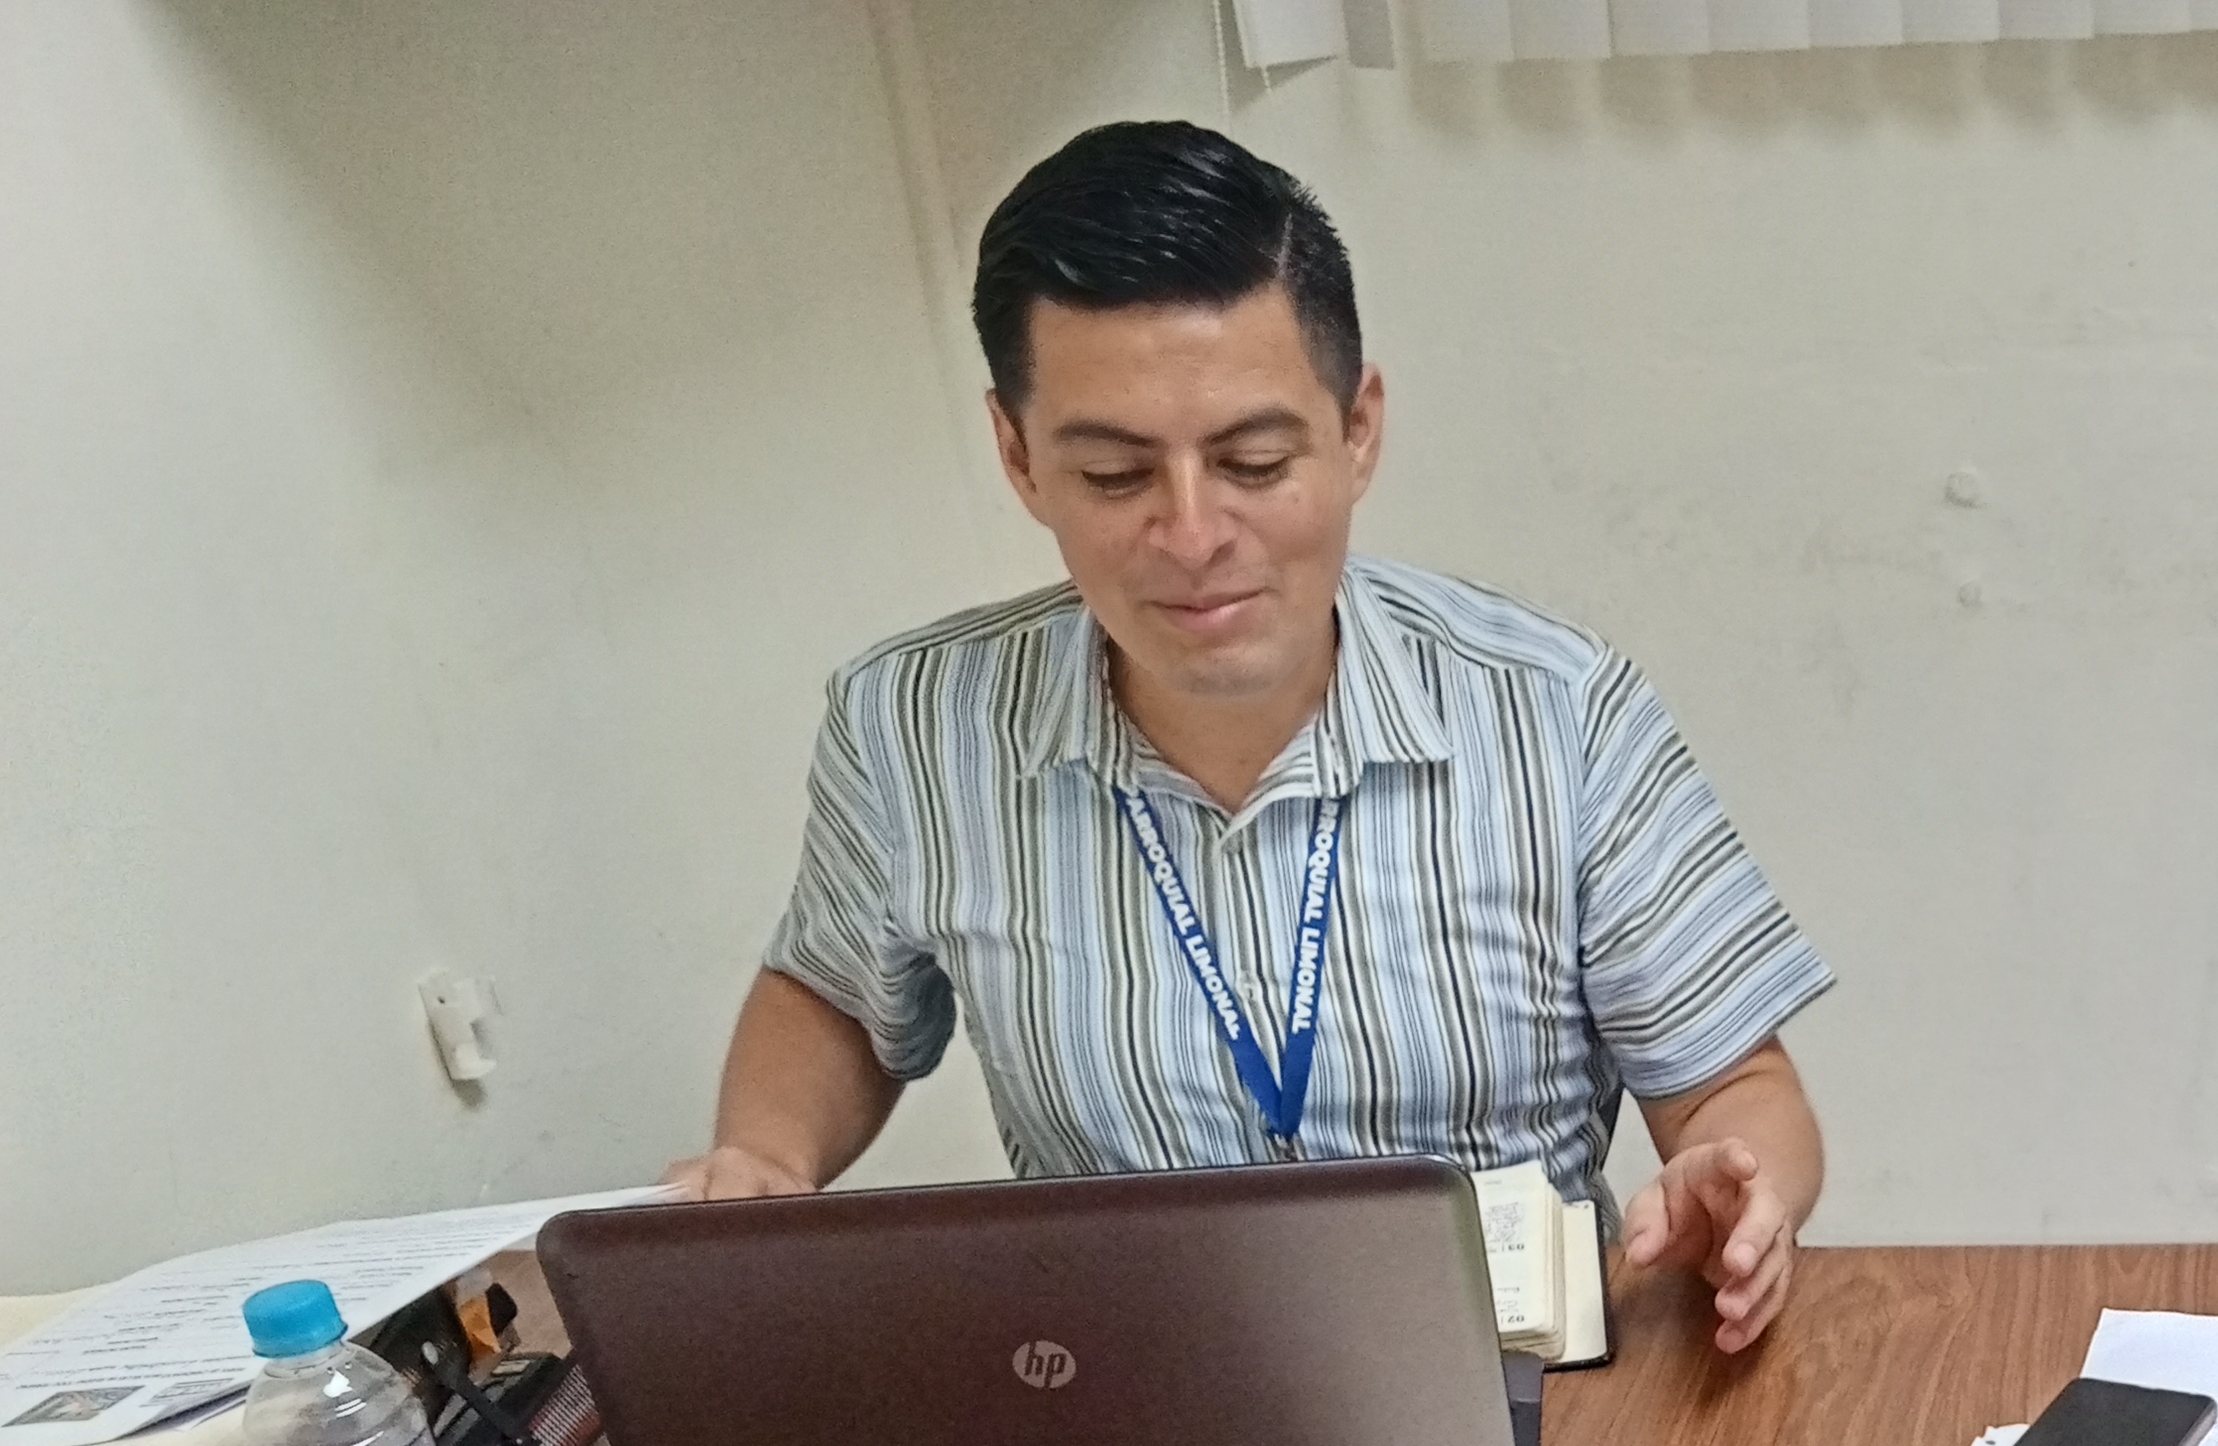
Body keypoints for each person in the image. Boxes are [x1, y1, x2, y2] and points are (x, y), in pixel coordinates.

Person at [664, 121, 1831, 1352]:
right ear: (1018, 456)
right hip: (1117, 1372)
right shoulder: (912, 726)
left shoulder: (1554, 711)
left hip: (1503, 1370)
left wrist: (1737, 1189)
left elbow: (1735, 1087)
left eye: (1253, 461)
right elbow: (835, 999)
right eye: (1115, 476)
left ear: (1356, 429)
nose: (1192, 535)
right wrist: (767, 1154)